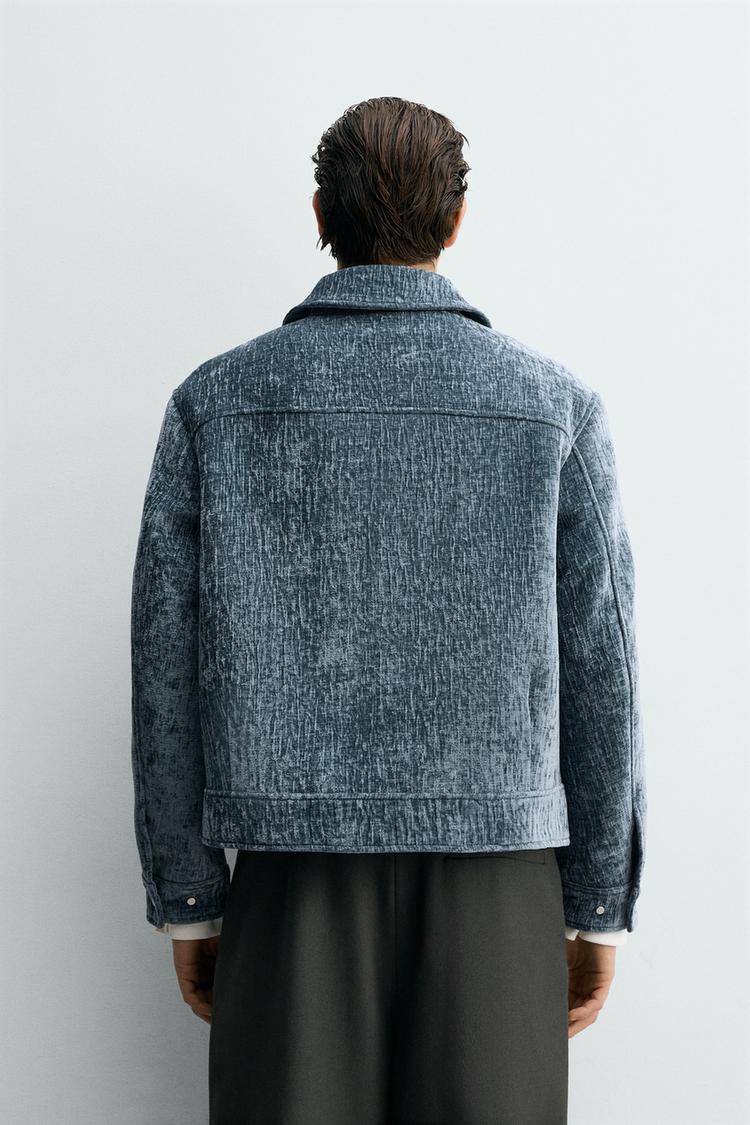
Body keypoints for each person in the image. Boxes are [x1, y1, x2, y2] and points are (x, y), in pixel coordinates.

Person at [130, 96, 646, 1125]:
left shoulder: (213, 403)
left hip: (289, 881)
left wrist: (189, 899)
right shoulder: (554, 407)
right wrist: (598, 903)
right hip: (500, 876)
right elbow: (605, 666)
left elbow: (166, 671)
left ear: (322, 214)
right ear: (457, 220)